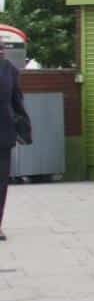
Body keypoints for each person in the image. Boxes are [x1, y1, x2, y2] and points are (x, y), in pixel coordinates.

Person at [0, 56, 30, 240]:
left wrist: (24, 129)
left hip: (3, 134)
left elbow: (16, 100)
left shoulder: (8, 69)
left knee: (1, 183)